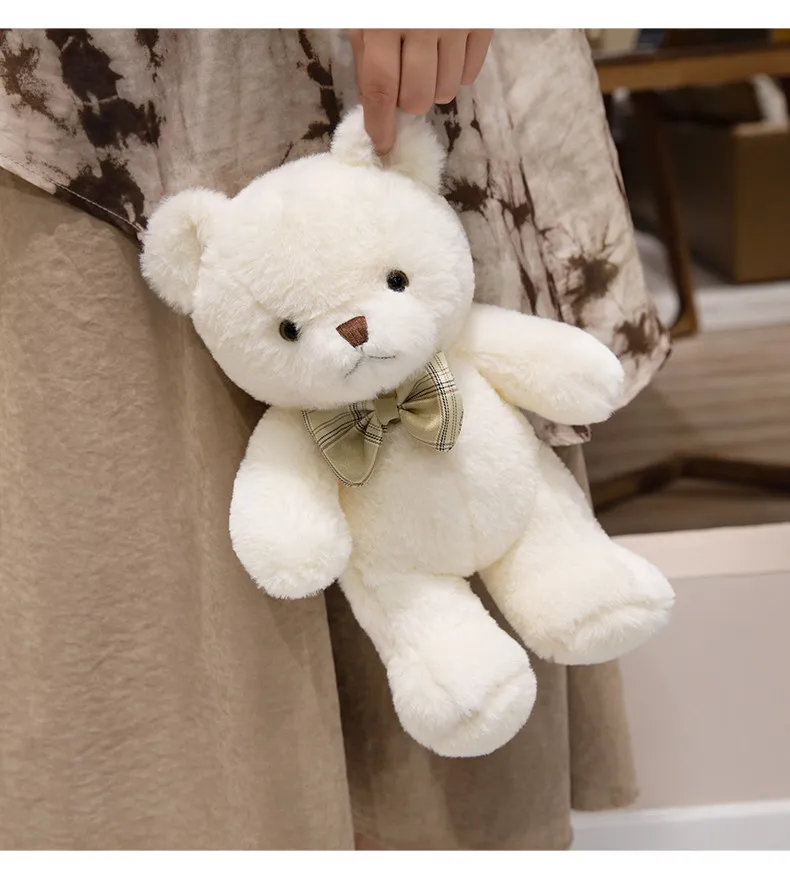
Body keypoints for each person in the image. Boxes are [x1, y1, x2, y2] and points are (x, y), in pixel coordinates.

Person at [0, 29, 669, 850]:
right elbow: (283, 521)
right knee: (149, 569)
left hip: (360, 65)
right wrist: (291, 535)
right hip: (87, 81)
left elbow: (555, 368)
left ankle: (568, 594)